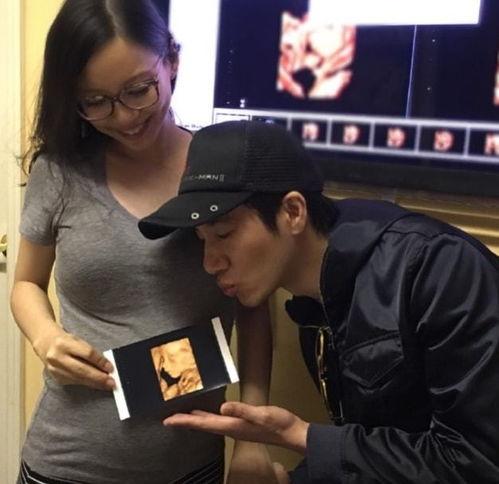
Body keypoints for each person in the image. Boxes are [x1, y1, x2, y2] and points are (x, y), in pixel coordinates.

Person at [138, 120, 499, 483]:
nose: (210, 263)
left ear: (293, 212)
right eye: (202, 239)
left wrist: (304, 438)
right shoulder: (315, 301)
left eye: (224, 233)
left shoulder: (437, 268)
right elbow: (376, 449)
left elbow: (478, 462)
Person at [11, 2, 273, 483]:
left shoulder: (224, 170)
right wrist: (46, 338)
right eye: (95, 101)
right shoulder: (60, 172)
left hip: (192, 466)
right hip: (67, 463)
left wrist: (252, 439)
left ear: (172, 61)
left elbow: (254, 308)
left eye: (138, 90)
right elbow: (25, 284)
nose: (125, 117)